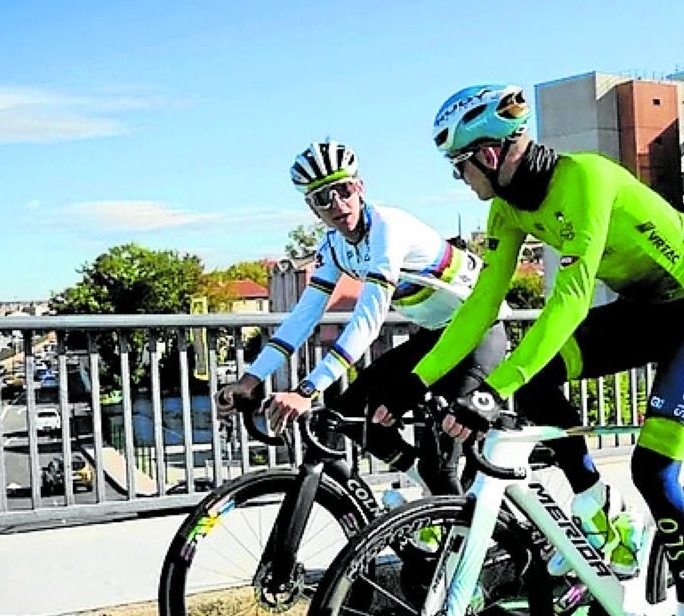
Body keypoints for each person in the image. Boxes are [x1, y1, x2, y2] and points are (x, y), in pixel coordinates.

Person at [376, 84, 684, 616]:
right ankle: (596, 512)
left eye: (459, 165)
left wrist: (494, 389)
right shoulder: (506, 210)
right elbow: (481, 305)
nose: (459, 177)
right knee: (538, 379)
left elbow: (569, 301)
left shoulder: (585, 179)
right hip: (642, 311)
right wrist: (413, 381)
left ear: (489, 154)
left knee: (653, 471)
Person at [216, 140, 507, 495]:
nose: (338, 204)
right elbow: (302, 318)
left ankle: (449, 507)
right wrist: (250, 380)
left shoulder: (389, 228)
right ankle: (431, 499)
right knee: (349, 412)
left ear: (360, 187)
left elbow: (368, 320)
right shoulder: (334, 248)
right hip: (436, 338)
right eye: (323, 198)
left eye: (344, 190)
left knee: (441, 464)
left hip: (478, 335)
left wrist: (307, 390)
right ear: (312, 208)